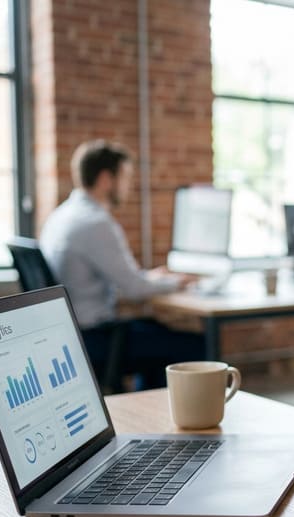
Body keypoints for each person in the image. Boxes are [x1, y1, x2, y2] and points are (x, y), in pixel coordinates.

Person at [40, 139, 204, 389]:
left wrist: (151, 277)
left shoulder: (61, 216)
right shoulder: (96, 222)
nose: (129, 186)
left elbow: (122, 277)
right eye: (126, 178)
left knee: (154, 332)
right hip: (96, 339)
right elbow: (134, 289)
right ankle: (157, 414)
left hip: (70, 335)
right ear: (107, 179)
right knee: (194, 344)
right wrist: (177, 282)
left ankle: (151, 415)